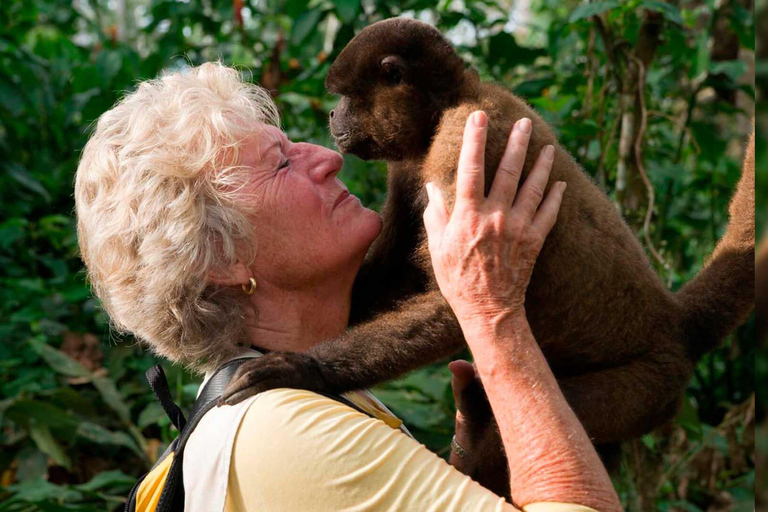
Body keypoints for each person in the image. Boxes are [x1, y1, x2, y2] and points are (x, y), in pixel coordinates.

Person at [74, 62, 620, 511]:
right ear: (224, 256)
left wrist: (473, 459)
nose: (330, 156)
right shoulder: (277, 432)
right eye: (281, 162)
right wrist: (492, 310)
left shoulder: (308, 400)